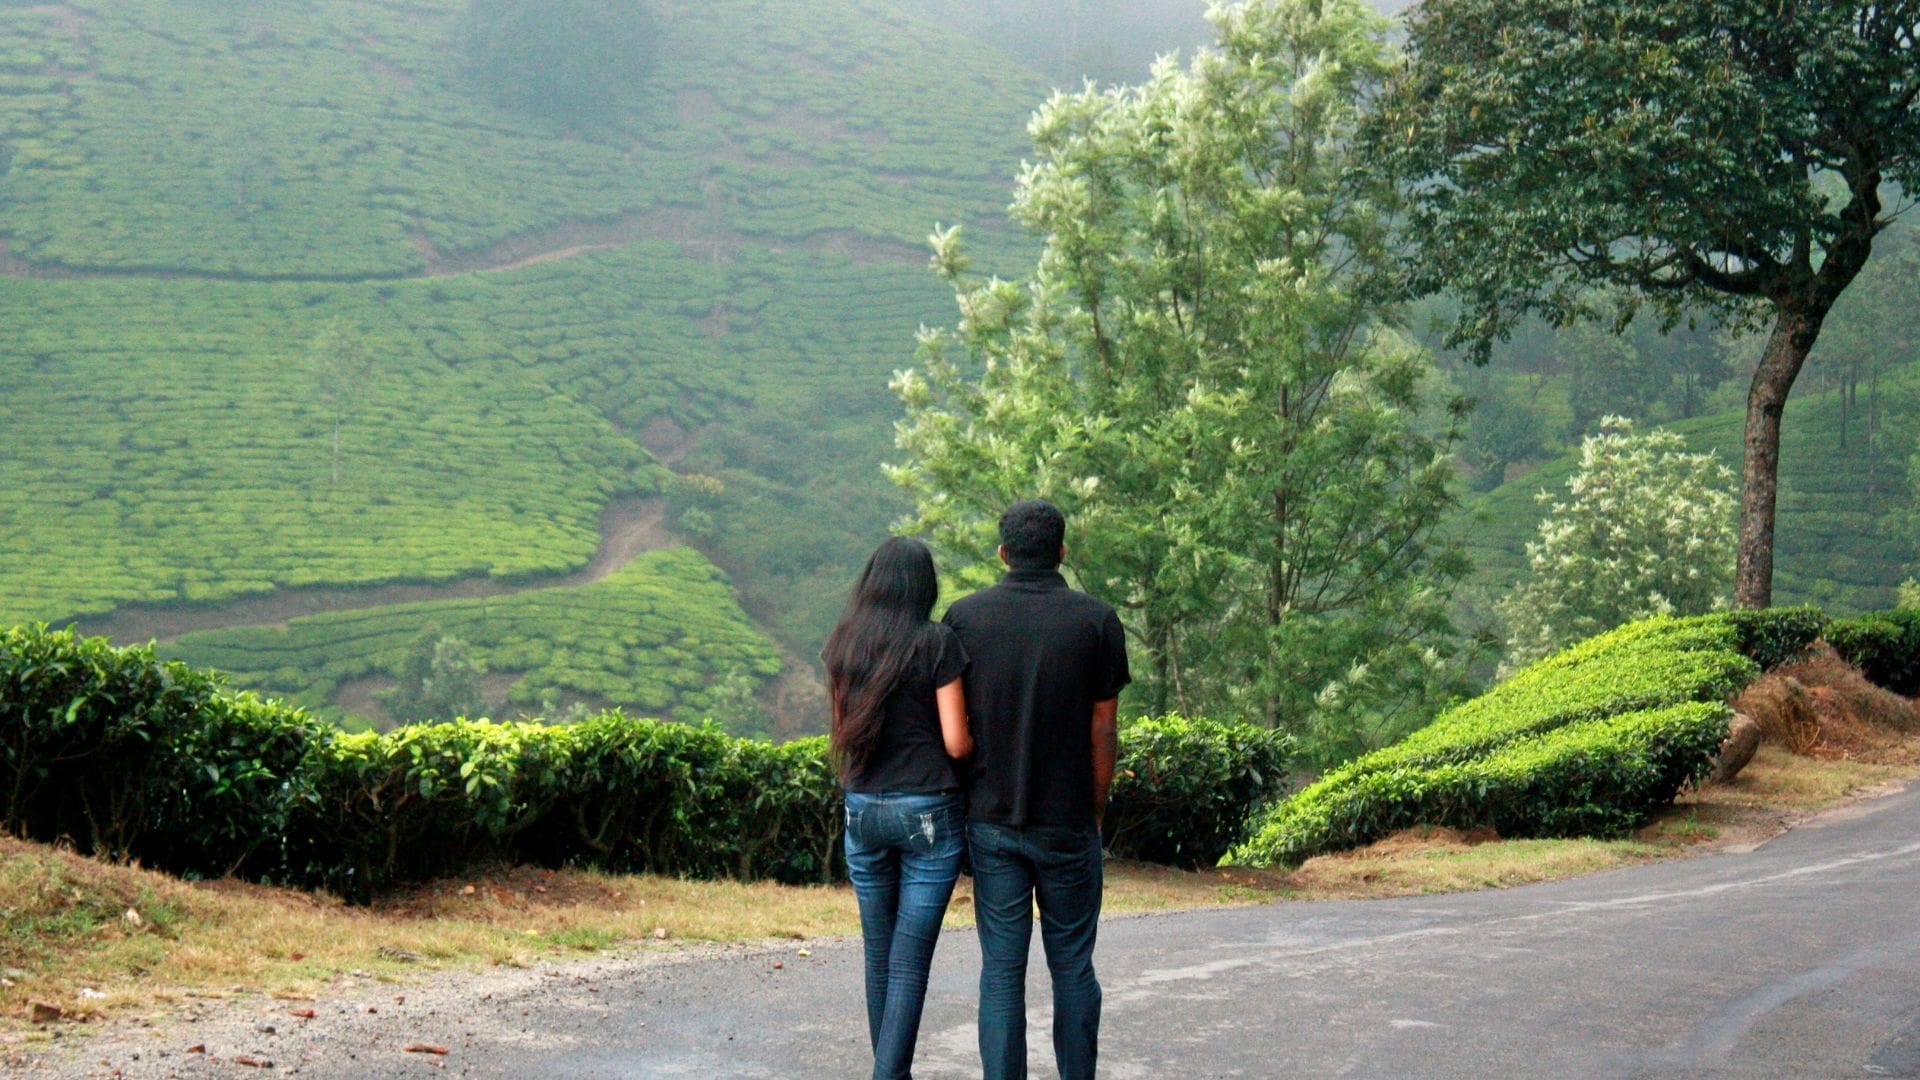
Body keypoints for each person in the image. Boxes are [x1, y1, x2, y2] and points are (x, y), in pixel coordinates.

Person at [942, 499, 1131, 1080]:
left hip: (992, 819)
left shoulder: (964, 619)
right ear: (1062, 554)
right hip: (1068, 820)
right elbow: (1104, 728)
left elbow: (953, 725)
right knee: (1073, 965)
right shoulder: (1096, 620)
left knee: (1001, 970)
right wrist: (1095, 809)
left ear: (1003, 553)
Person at [823, 536, 974, 1080]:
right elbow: (956, 742)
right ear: (924, 586)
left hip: (862, 804)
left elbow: (844, 727)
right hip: (927, 809)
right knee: (909, 963)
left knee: (877, 950)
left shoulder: (843, 643)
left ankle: (892, 1072)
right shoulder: (936, 643)